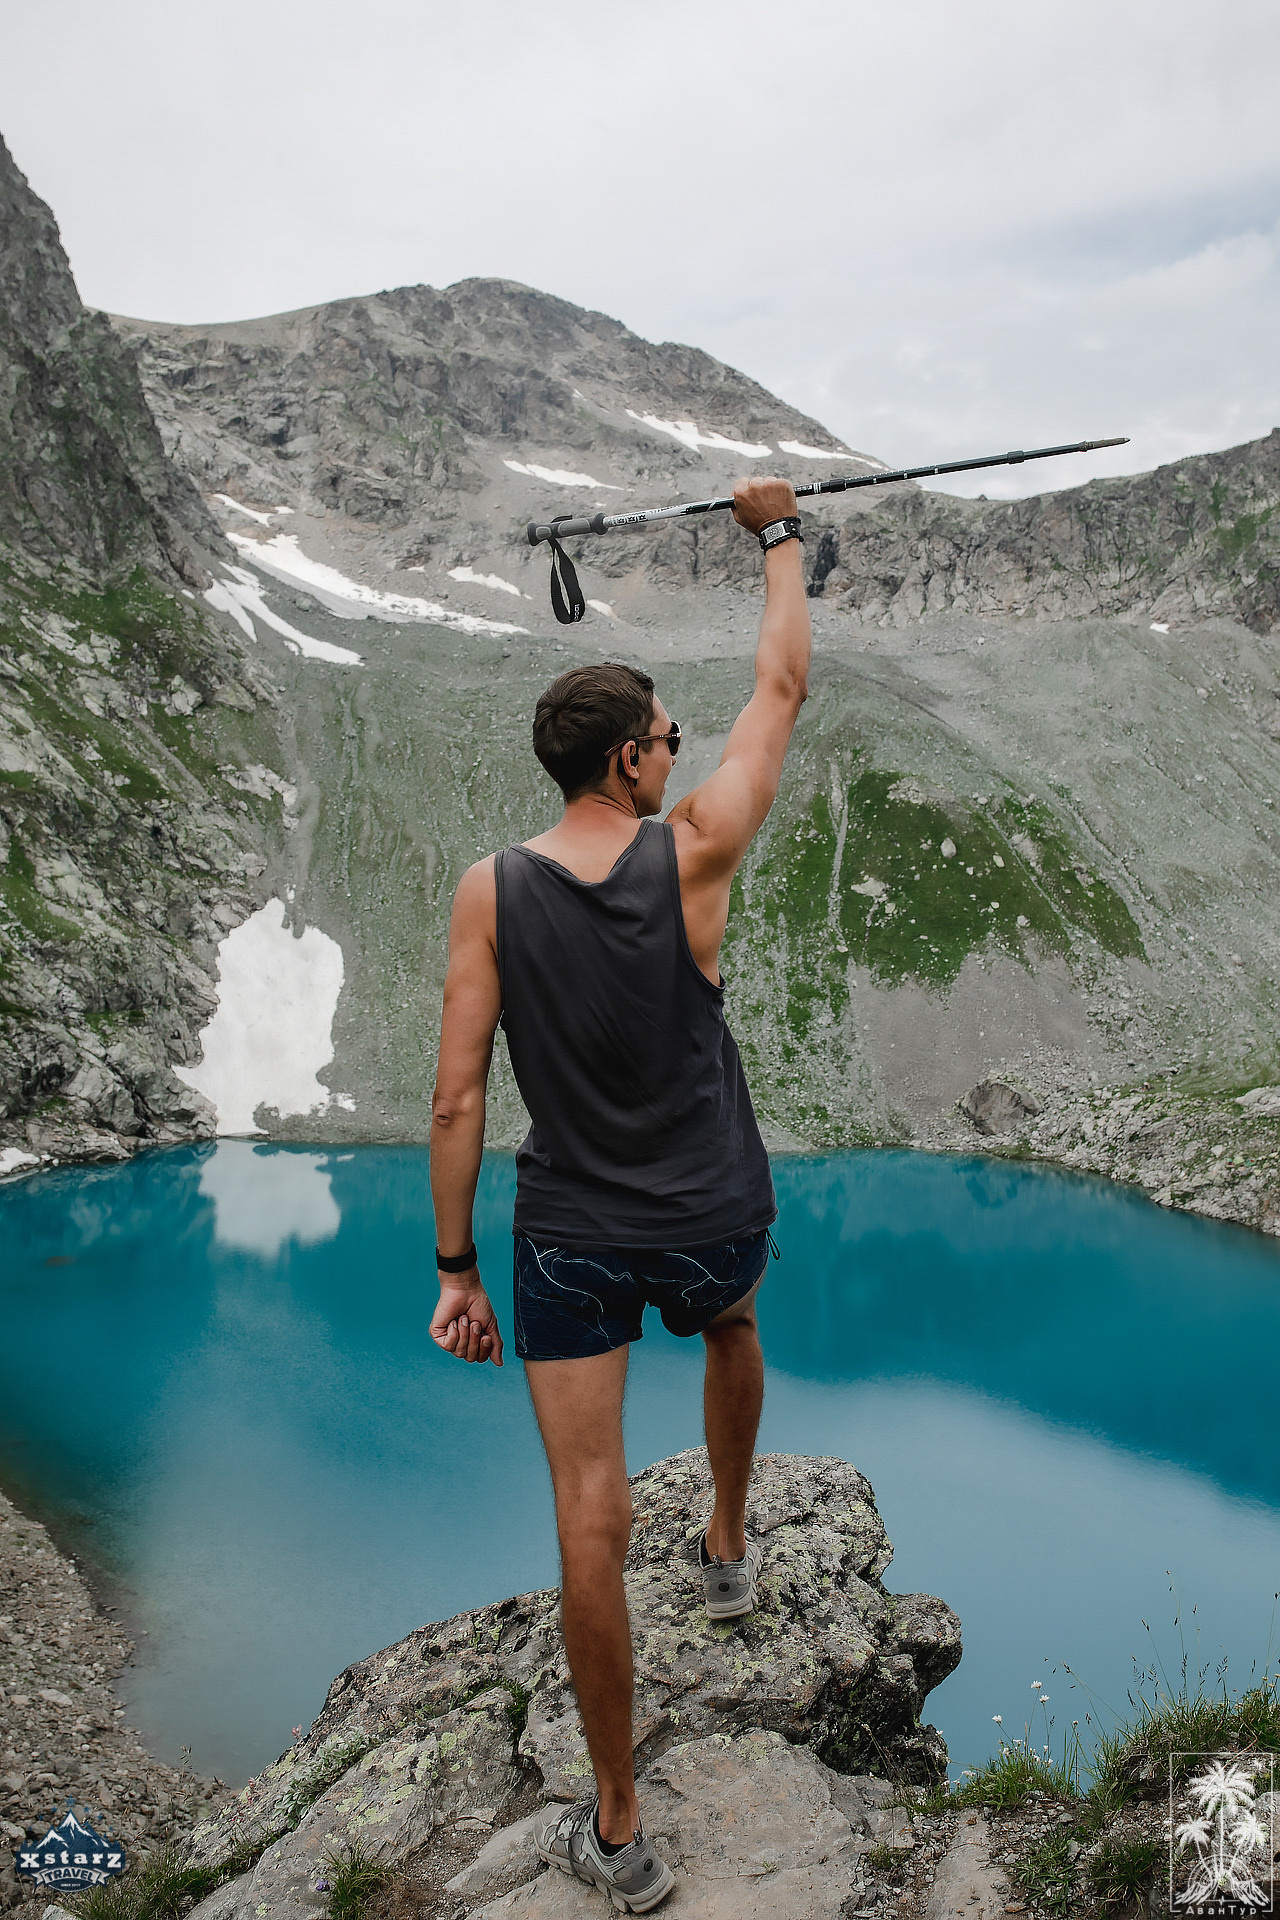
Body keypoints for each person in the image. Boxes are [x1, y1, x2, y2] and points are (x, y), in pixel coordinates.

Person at [427, 475, 811, 1913]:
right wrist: (775, 535)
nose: (678, 749)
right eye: (662, 735)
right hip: (712, 1212)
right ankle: (725, 1545)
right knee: (732, 1326)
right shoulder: (697, 850)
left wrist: (458, 1269)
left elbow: (458, 1096)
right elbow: (783, 678)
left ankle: (622, 1823)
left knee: (587, 1518)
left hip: (570, 1237)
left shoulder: (489, 890)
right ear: (632, 761)